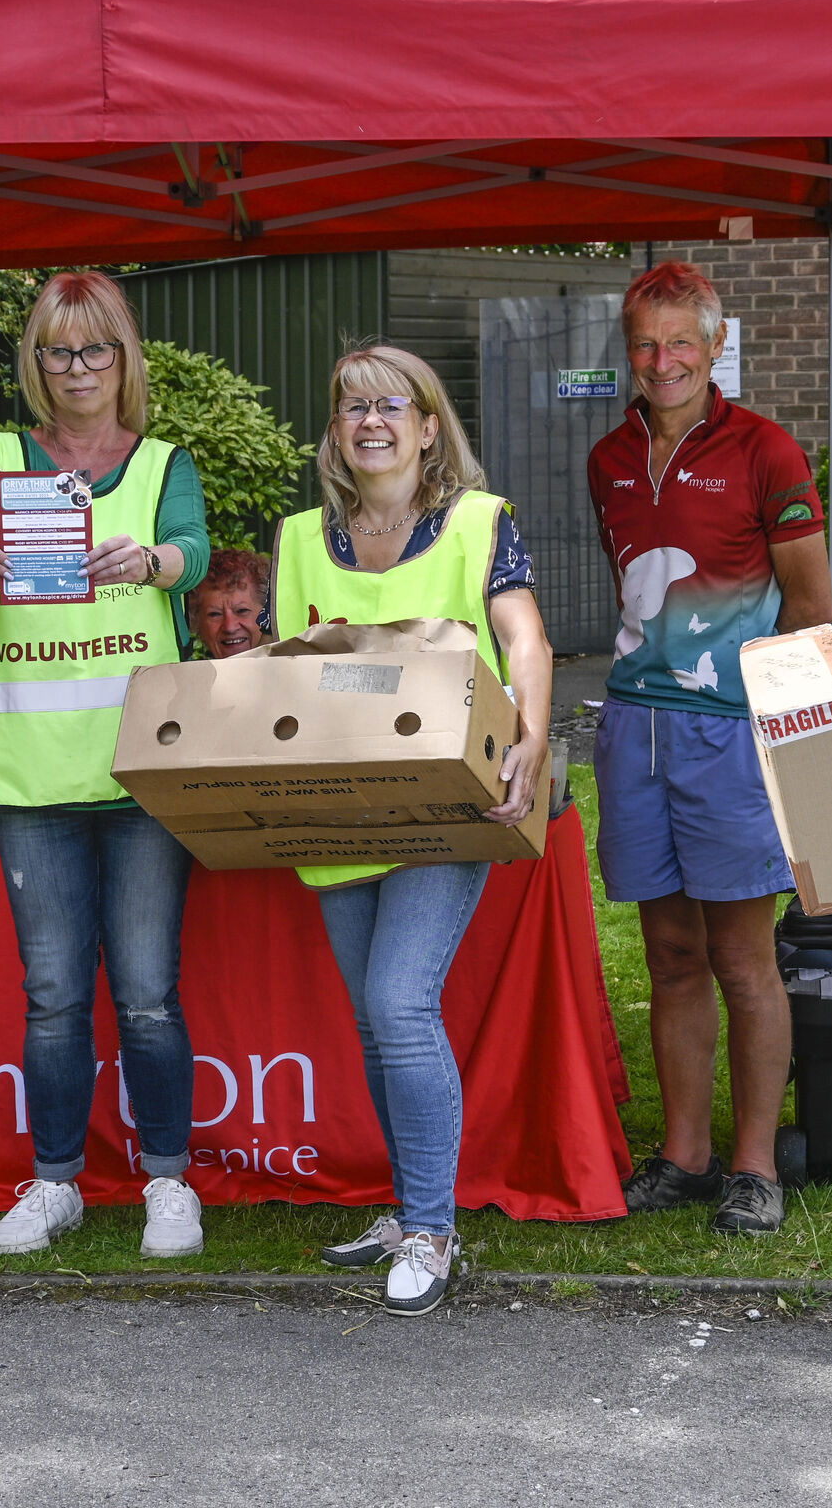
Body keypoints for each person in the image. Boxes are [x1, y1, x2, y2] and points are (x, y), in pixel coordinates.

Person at [0, 271, 211, 1259]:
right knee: (52, 995)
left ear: (123, 359)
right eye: (58, 351)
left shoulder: (164, 463)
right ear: (35, 363)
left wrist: (151, 564)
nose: (78, 368)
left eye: (95, 349)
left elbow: (194, 552)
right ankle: (54, 1184)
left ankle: (168, 1183)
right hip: (34, 775)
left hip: (139, 773)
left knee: (144, 992)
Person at [275, 344, 552, 1316]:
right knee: (374, 1023)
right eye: (352, 406)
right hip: (338, 816)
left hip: (444, 809)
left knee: (398, 1004)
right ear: (336, 432)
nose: (371, 422)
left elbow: (523, 637)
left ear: (429, 426)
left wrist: (531, 732)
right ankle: (404, 1212)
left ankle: (432, 1233)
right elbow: (287, 669)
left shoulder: (479, 522)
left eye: (392, 404)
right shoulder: (300, 539)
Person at [585, 261, 830, 1238]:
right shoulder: (606, 455)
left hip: (730, 732)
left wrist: (787, 729)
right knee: (670, 953)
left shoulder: (767, 451)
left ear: (715, 344)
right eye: (645, 343)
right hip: (632, 730)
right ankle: (683, 1156)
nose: (662, 360)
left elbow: (813, 610)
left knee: (742, 957)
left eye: (681, 341)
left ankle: (754, 1166)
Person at [187, 548, 273, 658]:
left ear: (267, 614)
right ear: (197, 622)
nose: (230, 627)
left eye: (242, 611)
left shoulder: (296, 669)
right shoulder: (185, 674)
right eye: (215, 614)